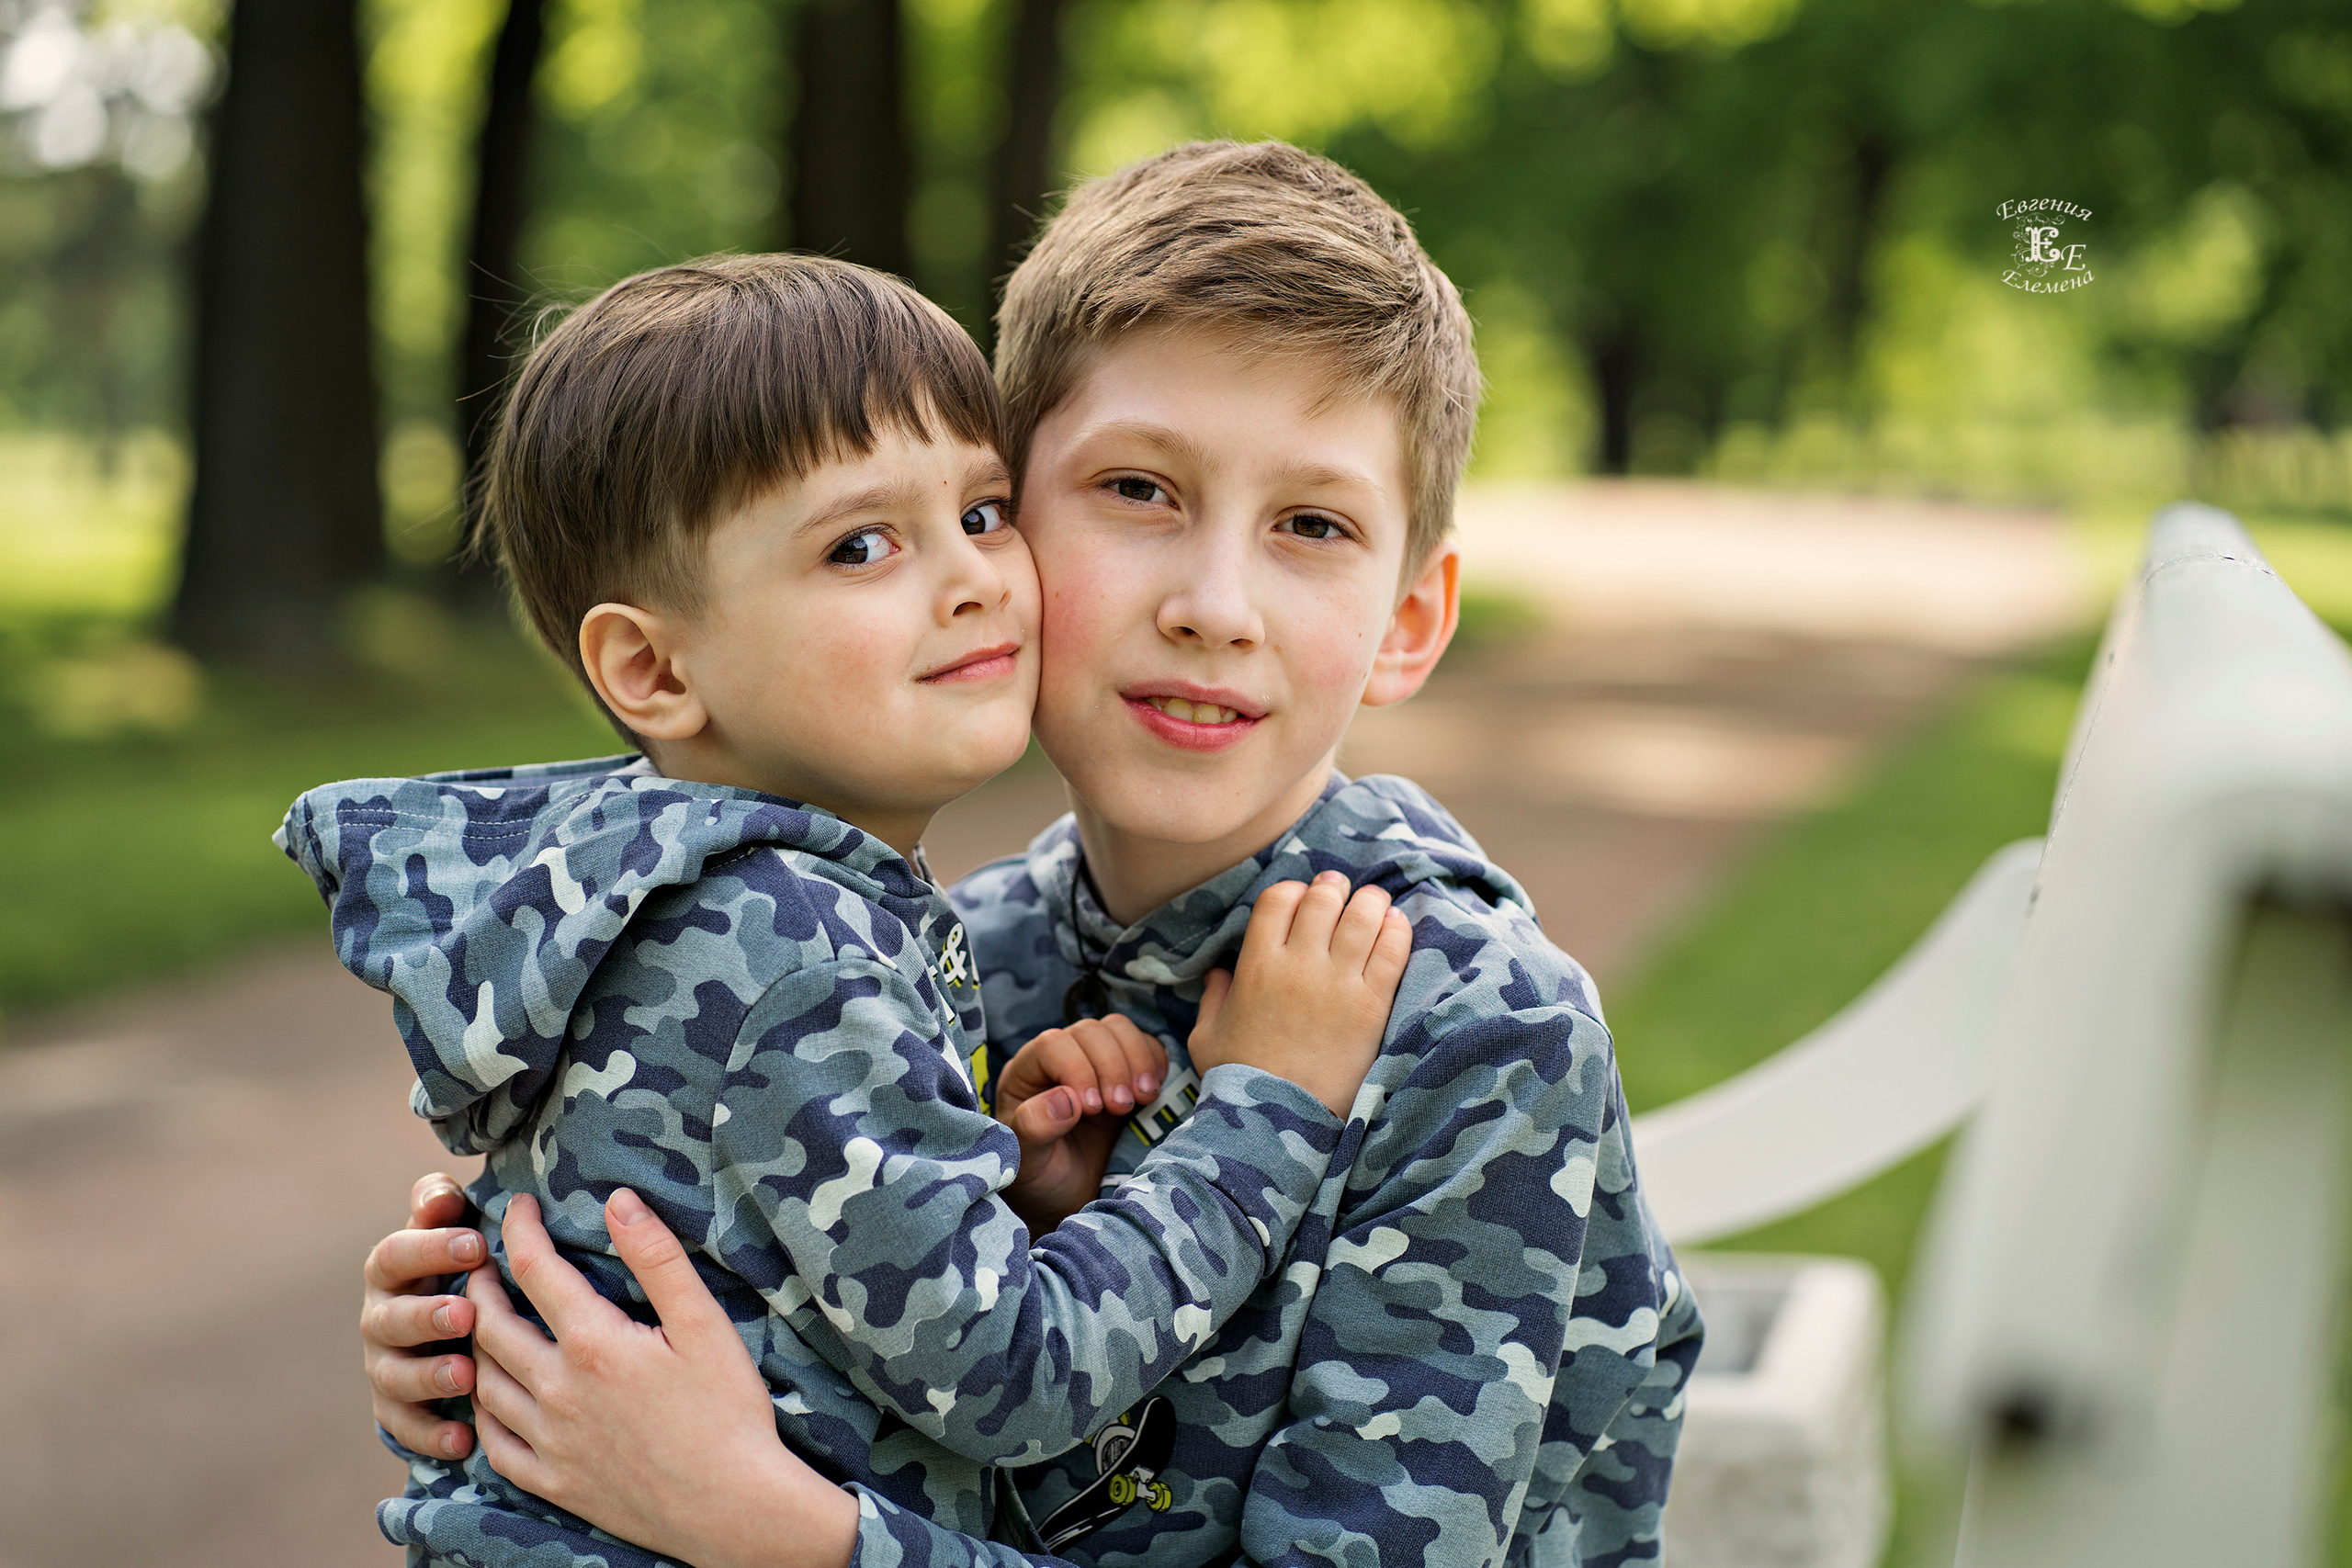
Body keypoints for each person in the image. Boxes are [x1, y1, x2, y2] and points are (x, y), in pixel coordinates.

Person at [361, 141, 1705, 1567]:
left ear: (1409, 619)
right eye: (1137, 490)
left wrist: (774, 1530)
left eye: (1312, 525)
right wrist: (498, 1346)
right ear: (1002, 522)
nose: (1214, 604)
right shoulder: (953, 953)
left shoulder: (1470, 1028)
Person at [288, 251, 1412, 1568]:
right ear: (652, 666)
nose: (974, 578)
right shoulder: (788, 947)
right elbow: (1015, 1381)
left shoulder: (667, 892)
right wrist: (1268, 1110)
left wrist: (1004, 1194)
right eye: (862, 545)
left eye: (985, 514)